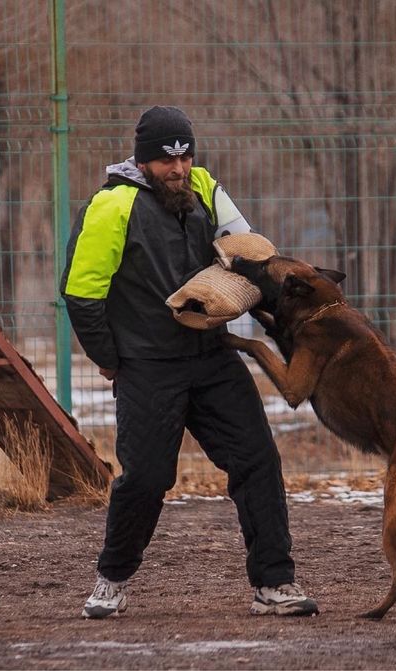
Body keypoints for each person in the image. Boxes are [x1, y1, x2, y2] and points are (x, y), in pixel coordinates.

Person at [61, 106, 317, 619]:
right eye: (165, 161)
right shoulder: (112, 206)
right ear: (143, 161)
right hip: (147, 365)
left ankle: (274, 583)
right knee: (149, 478)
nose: (178, 169)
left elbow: (251, 254)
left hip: (211, 357)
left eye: (184, 157)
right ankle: (111, 578)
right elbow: (81, 294)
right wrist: (112, 362)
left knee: (257, 459)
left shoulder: (204, 188)